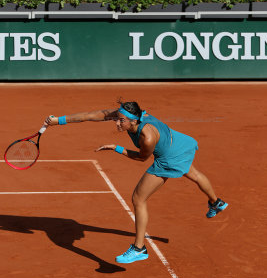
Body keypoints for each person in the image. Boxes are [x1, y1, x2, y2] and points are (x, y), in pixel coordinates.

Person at [45, 101, 228, 264]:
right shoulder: (131, 116)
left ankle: (139, 248)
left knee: (138, 199)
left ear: (133, 121)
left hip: (168, 156)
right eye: (117, 118)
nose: (117, 122)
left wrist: (115, 147)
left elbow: (141, 158)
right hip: (179, 142)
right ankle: (216, 202)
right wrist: (59, 120)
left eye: (121, 120)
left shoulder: (146, 137)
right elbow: (90, 115)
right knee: (194, 174)